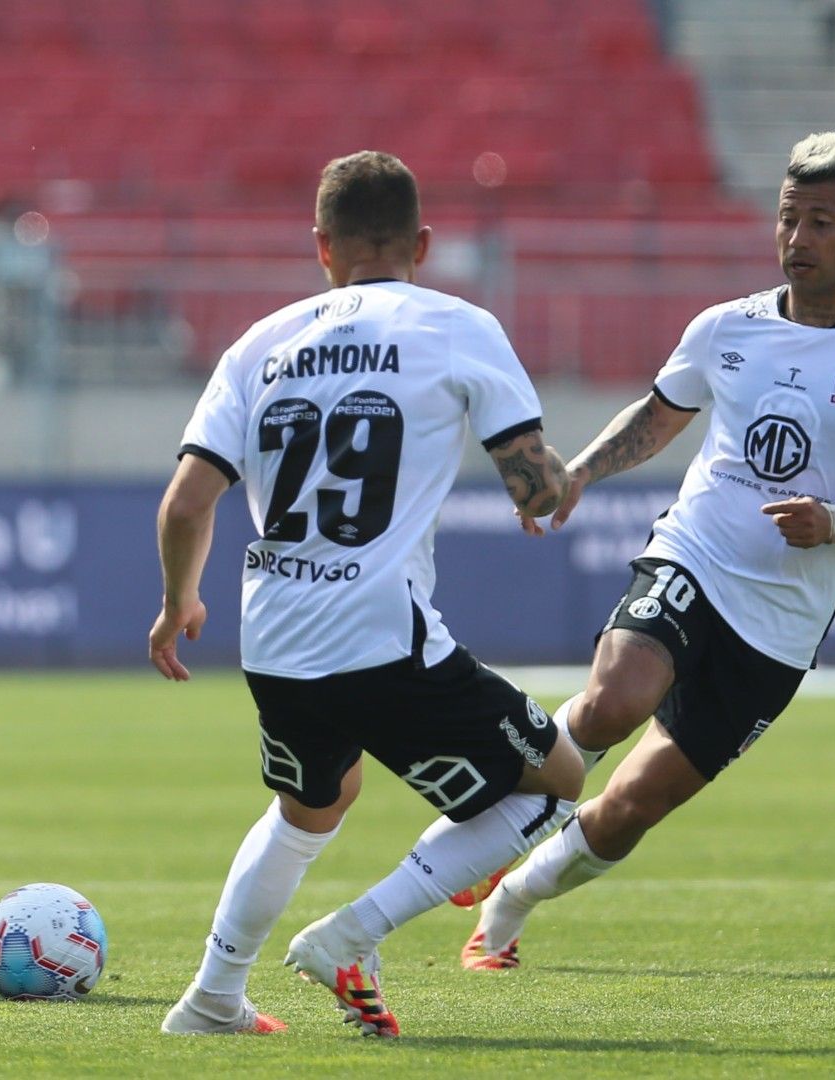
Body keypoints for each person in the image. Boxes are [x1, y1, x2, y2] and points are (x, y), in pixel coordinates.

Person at [458, 132, 835, 970]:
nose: (798, 239)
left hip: (780, 628)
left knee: (628, 810)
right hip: (696, 557)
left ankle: (510, 900)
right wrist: (579, 473)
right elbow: (660, 414)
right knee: (615, 698)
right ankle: (469, 838)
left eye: (821, 223)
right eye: (788, 219)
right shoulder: (728, 328)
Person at [149, 150, 586, 1038]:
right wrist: (543, 492)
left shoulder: (259, 342)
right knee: (554, 782)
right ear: (422, 243)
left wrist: (176, 604)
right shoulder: (456, 325)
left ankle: (212, 998)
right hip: (381, 634)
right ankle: (352, 935)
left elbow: (189, 501)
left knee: (312, 806)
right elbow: (536, 482)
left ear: (322, 247)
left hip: (272, 634)